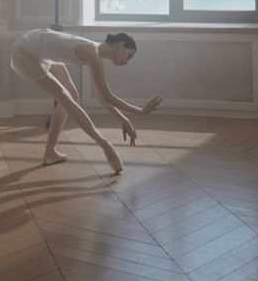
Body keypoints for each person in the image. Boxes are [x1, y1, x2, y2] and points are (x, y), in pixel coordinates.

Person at [10, 28, 162, 174]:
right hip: (24, 51)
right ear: (120, 45)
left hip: (37, 46)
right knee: (65, 97)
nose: (127, 62)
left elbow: (102, 98)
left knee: (71, 95)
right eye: (129, 56)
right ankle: (106, 145)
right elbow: (106, 96)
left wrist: (124, 119)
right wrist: (140, 111)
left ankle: (50, 152)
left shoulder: (94, 52)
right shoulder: (92, 53)